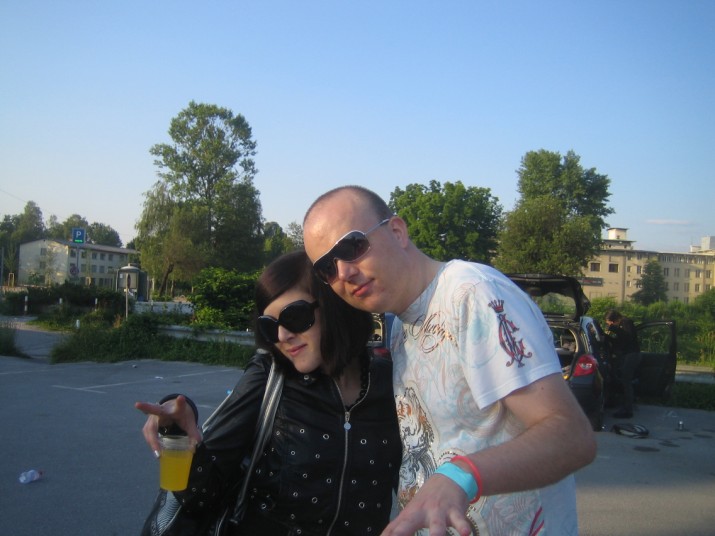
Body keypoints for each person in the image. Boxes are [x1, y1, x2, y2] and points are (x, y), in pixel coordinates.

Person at [302, 186, 597, 536]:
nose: (343, 272)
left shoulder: (474, 296)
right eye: (326, 268)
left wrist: (460, 476)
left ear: (397, 231)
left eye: (351, 247)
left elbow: (571, 437)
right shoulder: (401, 326)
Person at [136, 250, 401, 535]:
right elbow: (201, 497)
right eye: (269, 326)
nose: (283, 336)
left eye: (294, 316)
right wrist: (177, 431)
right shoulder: (268, 375)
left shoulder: (392, 380)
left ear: (333, 305)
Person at [604, 309, 641, 419]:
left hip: (632, 355)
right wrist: (606, 336)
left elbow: (627, 337)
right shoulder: (620, 326)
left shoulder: (626, 322)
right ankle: (623, 405)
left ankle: (627, 409)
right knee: (623, 380)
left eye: (610, 323)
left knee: (626, 381)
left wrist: (613, 329)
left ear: (614, 320)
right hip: (627, 355)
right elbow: (619, 342)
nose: (610, 325)